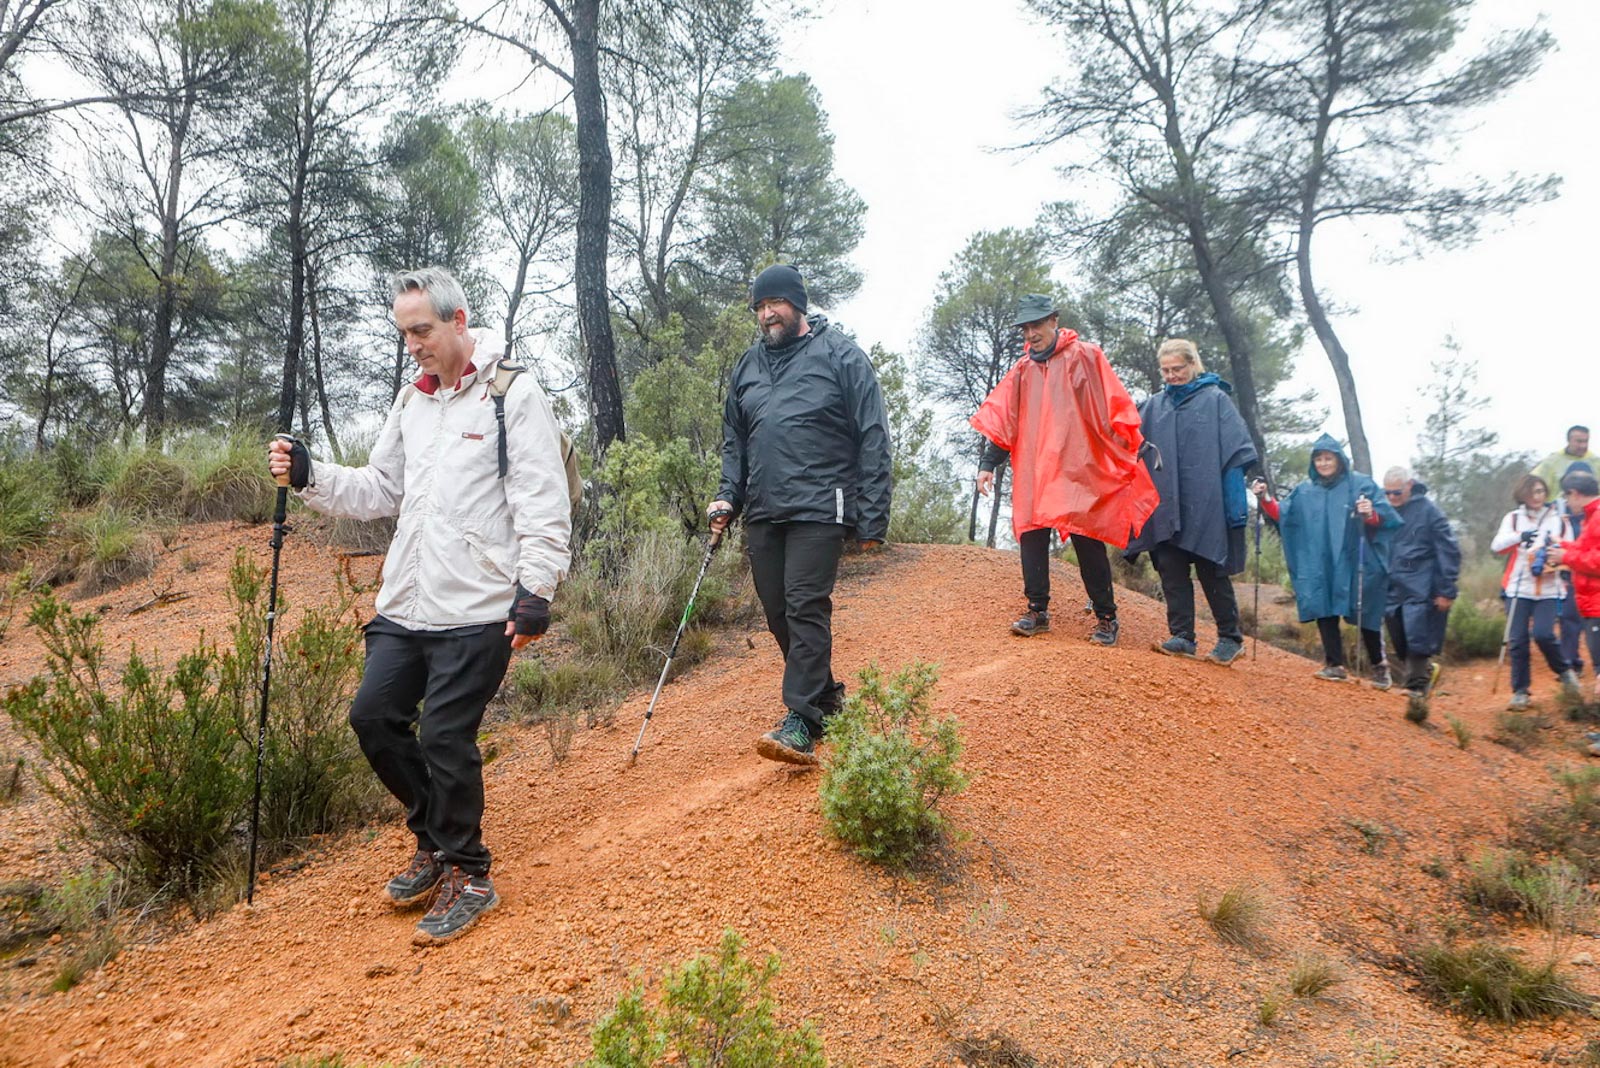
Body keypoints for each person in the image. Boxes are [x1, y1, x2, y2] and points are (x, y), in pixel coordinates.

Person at [267, 267, 572, 944]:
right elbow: (381, 489)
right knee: (373, 718)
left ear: (458, 321)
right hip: (407, 601)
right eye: (404, 333)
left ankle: (470, 873)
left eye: (422, 330)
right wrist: (313, 475)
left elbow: (542, 499)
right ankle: (434, 838)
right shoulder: (413, 399)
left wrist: (536, 591)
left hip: (480, 604)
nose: (413, 345)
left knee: (443, 736)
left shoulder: (511, 394)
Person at [708, 263, 892, 767]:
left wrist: (872, 518)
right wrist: (728, 496)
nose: (767, 314)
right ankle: (827, 698)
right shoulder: (748, 365)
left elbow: (872, 434)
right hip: (764, 508)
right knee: (777, 610)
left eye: (776, 304)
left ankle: (803, 721)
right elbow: (735, 440)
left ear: (798, 304)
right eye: (760, 307)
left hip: (821, 505)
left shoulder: (841, 355)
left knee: (804, 605)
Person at [970, 294, 1159, 646]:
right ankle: (1037, 611)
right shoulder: (1022, 370)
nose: (1031, 334)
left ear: (1054, 320)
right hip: (1034, 467)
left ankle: (1106, 617)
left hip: (1077, 466)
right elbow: (1006, 421)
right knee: (1031, 534)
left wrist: (1131, 445)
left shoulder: (1085, 356)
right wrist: (987, 464)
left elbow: (1112, 405)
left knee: (1086, 537)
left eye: (1037, 325)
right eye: (1026, 328)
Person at [1124, 338, 1256, 664]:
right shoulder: (1153, 406)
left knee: (1212, 567)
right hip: (1165, 503)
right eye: (1166, 370)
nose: (1172, 375)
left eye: (1178, 369)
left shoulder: (1216, 400)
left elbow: (1236, 453)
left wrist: (1235, 506)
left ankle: (1230, 638)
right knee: (1171, 568)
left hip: (1207, 501)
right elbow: (1128, 445)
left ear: (1192, 364)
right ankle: (1183, 636)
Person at [1250, 435, 1401, 685]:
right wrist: (1265, 497)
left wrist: (1370, 513)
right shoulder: (1305, 491)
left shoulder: (1360, 484)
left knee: (1364, 608)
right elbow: (1283, 514)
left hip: (1356, 561)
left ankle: (1379, 666)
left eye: (1328, 458)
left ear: (1339, 460)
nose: (1323, 463)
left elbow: (1386, 518)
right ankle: (1334, 664)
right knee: (1323, 604)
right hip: (1321, 561)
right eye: (1318, 459)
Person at [1491, 474, 1581, 709]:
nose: (1536, 496)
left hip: (1549, 589)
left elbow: (1571, 550)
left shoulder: (1559, 520)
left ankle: (1564, 671)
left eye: (1540, 491)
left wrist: (1552, 553)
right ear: (1522, 494)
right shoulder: (1513, 519)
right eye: (1531, 492)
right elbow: (1497, 546)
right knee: (1517, 639)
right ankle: (1520, 691)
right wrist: (1519, 537)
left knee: (1543, 634)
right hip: (1518, 587)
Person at [1380, 466, 1461, 700]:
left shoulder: (1429, 511)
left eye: (1397, 492)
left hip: (1422, 583)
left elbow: (1449, 550)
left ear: (1409, 485)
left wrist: (1446, 589)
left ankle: (1416, 686)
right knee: (1398, 635)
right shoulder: (1385, 509)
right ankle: (1424, 672)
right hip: (1393, 583)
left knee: (1418, 633)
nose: (1392, 497)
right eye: (1387, 493)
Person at [1547, 471, 1600, 707]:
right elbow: (1586, 550)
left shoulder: (1597, 516)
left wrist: (1565, 556)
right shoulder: (1591, 517)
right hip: (1591, 603)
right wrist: (1562, 547)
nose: (1567, 503)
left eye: (1566, 497)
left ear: (1575, 493)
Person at [1533, 425, 1593, 495]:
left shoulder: (1596, 461)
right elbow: (1531, 483)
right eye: (1579, 441)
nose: (1583, 445)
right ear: (1569, 441)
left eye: (1586, 441)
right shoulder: (1552, 461)